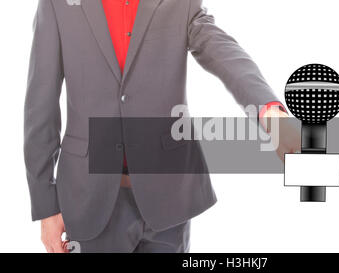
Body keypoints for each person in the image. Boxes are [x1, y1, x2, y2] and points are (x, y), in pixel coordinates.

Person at [24, 0, 301, 253]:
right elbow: (41, 105)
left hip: (169, 200)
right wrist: (46, 208)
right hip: (87, 198)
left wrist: (270, 114)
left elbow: (222, 50)